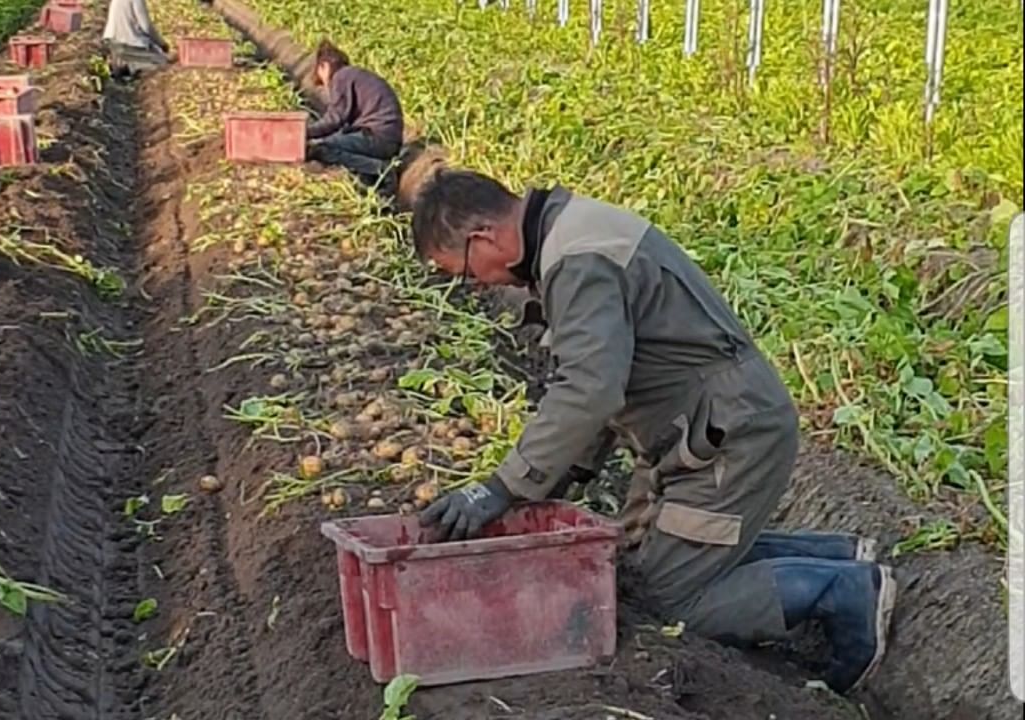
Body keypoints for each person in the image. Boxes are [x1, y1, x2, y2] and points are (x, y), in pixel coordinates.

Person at [411, 168, 897, 697]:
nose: (476, 284)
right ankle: (837, 554)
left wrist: (503, 487)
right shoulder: (567, 236)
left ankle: (844, 592)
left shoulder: (576, 260)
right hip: (697, 432)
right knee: (636, 564)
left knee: (663, 603)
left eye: (462, 272)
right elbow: (603, 376)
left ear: (483, 237)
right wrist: (564, 473)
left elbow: (589, 388)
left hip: (731, 435)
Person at [305, 40, 405, 186]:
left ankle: (379, 169)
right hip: (386, 138)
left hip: (378, 138)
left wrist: (305, 133)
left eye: (321, 79)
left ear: (324, 66)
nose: (326, 86)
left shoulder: (341, 77)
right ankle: (370, 178)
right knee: (336, 140)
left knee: (323, 148)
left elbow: (335, 119)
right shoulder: (354, 76)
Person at [103, 0, 170, 78]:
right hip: (127, 43)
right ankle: (128, 67)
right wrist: (161, 43)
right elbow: (146, 27)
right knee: (162, 61)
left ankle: (121, 63)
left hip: (112, 41)